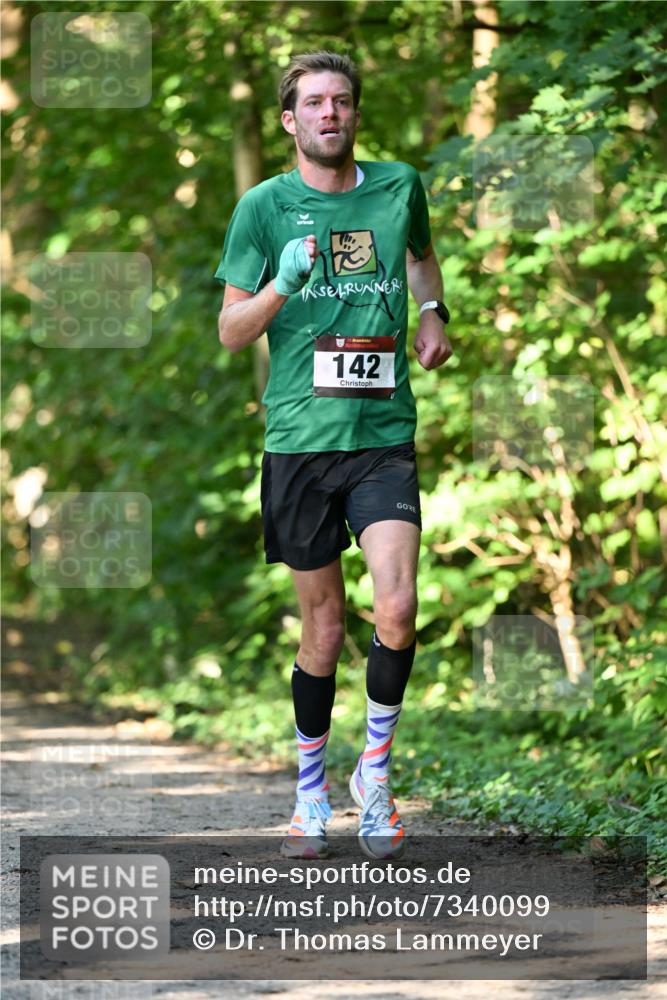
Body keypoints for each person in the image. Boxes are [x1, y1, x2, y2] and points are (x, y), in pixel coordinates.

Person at [215, 51, 452, 861]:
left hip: (382, 436)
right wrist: (278, 288)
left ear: (354, 114)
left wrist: (430, 312)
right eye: (313, 103)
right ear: (289, 121)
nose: (328, 114)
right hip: (298, 445)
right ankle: (309, 792)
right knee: (323, 629)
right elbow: (231, 330)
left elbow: (420, 254)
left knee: (396, 609)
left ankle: (374, 777)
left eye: (341, 102)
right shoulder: (261, 208)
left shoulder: (397, 187)